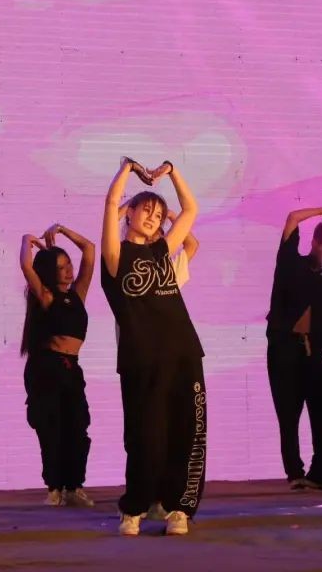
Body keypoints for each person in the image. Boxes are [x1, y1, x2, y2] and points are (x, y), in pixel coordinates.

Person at [101, 158, 205, 536]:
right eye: (146, 209)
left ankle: (179, 509)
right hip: (141, 359)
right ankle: (134, 508)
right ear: (129, 213)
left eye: (158, 214)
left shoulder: (162, 250)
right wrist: (128, 170)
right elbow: (110, 204)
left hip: (183, 353)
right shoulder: (116, 257)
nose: (153, 217)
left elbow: (190, 210)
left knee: (186, 434)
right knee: (145, 436)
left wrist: (172, 172)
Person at [19, 223, 96, 508]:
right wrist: (27, 240)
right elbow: (26, 266)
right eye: (60, 267)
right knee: (50, 427)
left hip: (71, 367)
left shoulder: (78, 294)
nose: (67, 271)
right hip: (47, 368)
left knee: (78, 427)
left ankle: (74, 486)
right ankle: (54, 487)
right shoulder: (46, 296)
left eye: (68, 265)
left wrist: (63, 230)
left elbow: (89, 249)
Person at [265, 208, 322, 491]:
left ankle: (320, 471)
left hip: (314, 351)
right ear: (316, 242)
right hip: (284, 348)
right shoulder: (291, 263)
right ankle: (295, 473)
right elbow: (293, 218)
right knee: (288, 412)